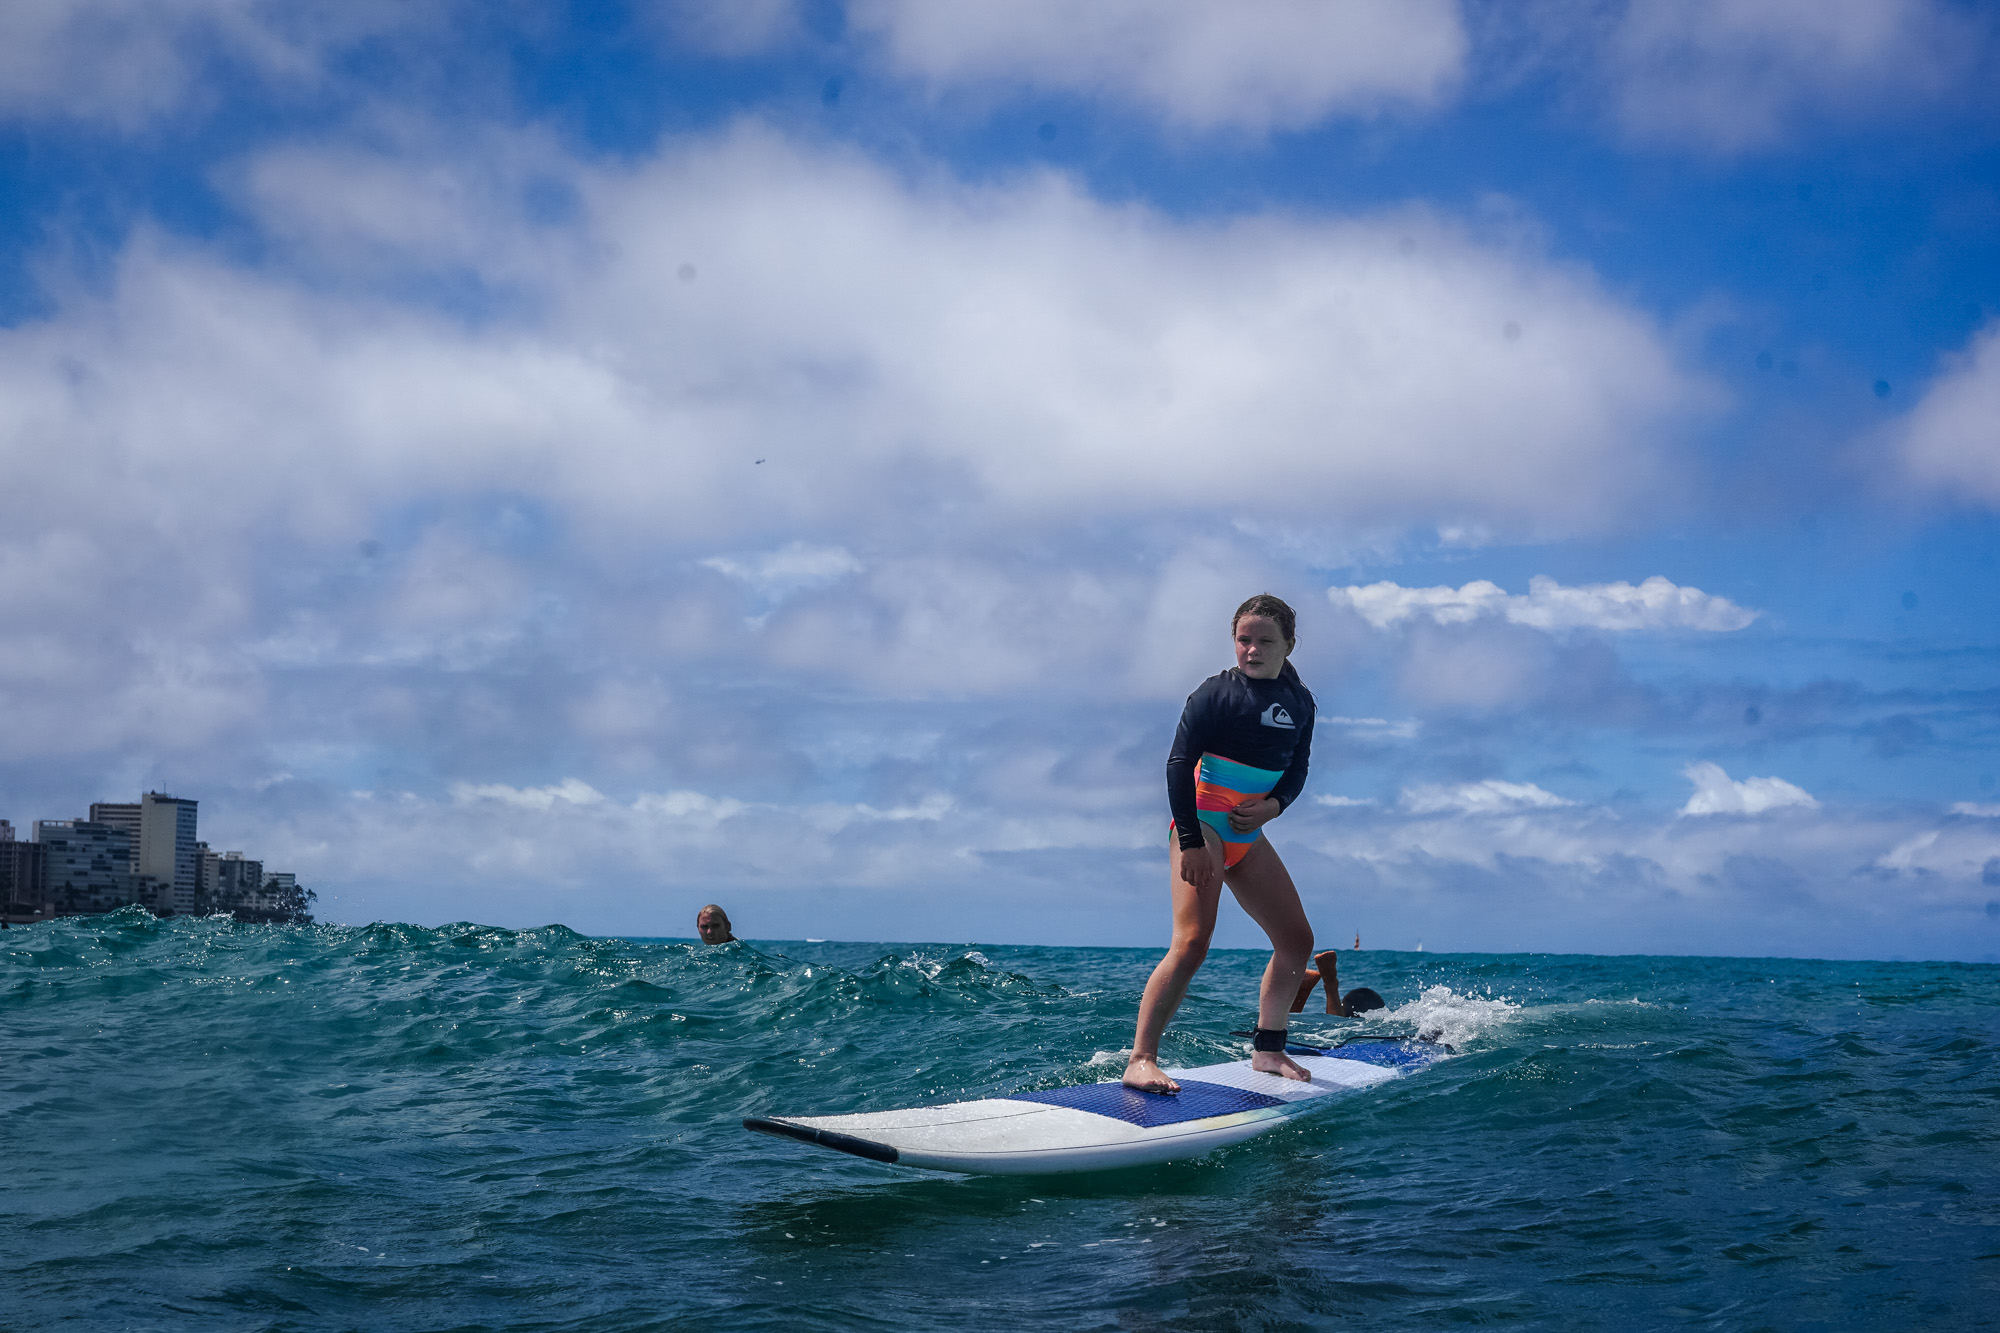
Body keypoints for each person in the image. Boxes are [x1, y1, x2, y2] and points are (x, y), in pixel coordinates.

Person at [1125, 594, 1320, 1095]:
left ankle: (1269, 1049)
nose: (1251, 650)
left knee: (1296, 940)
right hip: (1204, 823)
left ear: (1289, 645)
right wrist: (1189, 839)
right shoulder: (1214, 694)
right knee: (1192, 941)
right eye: (1243, 640)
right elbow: (1176, 764)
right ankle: (1141, 1058)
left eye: (1264, 641)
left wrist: (1274, 806)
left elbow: (1296, 771)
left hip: (1247, 831)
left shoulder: (1300, 702)